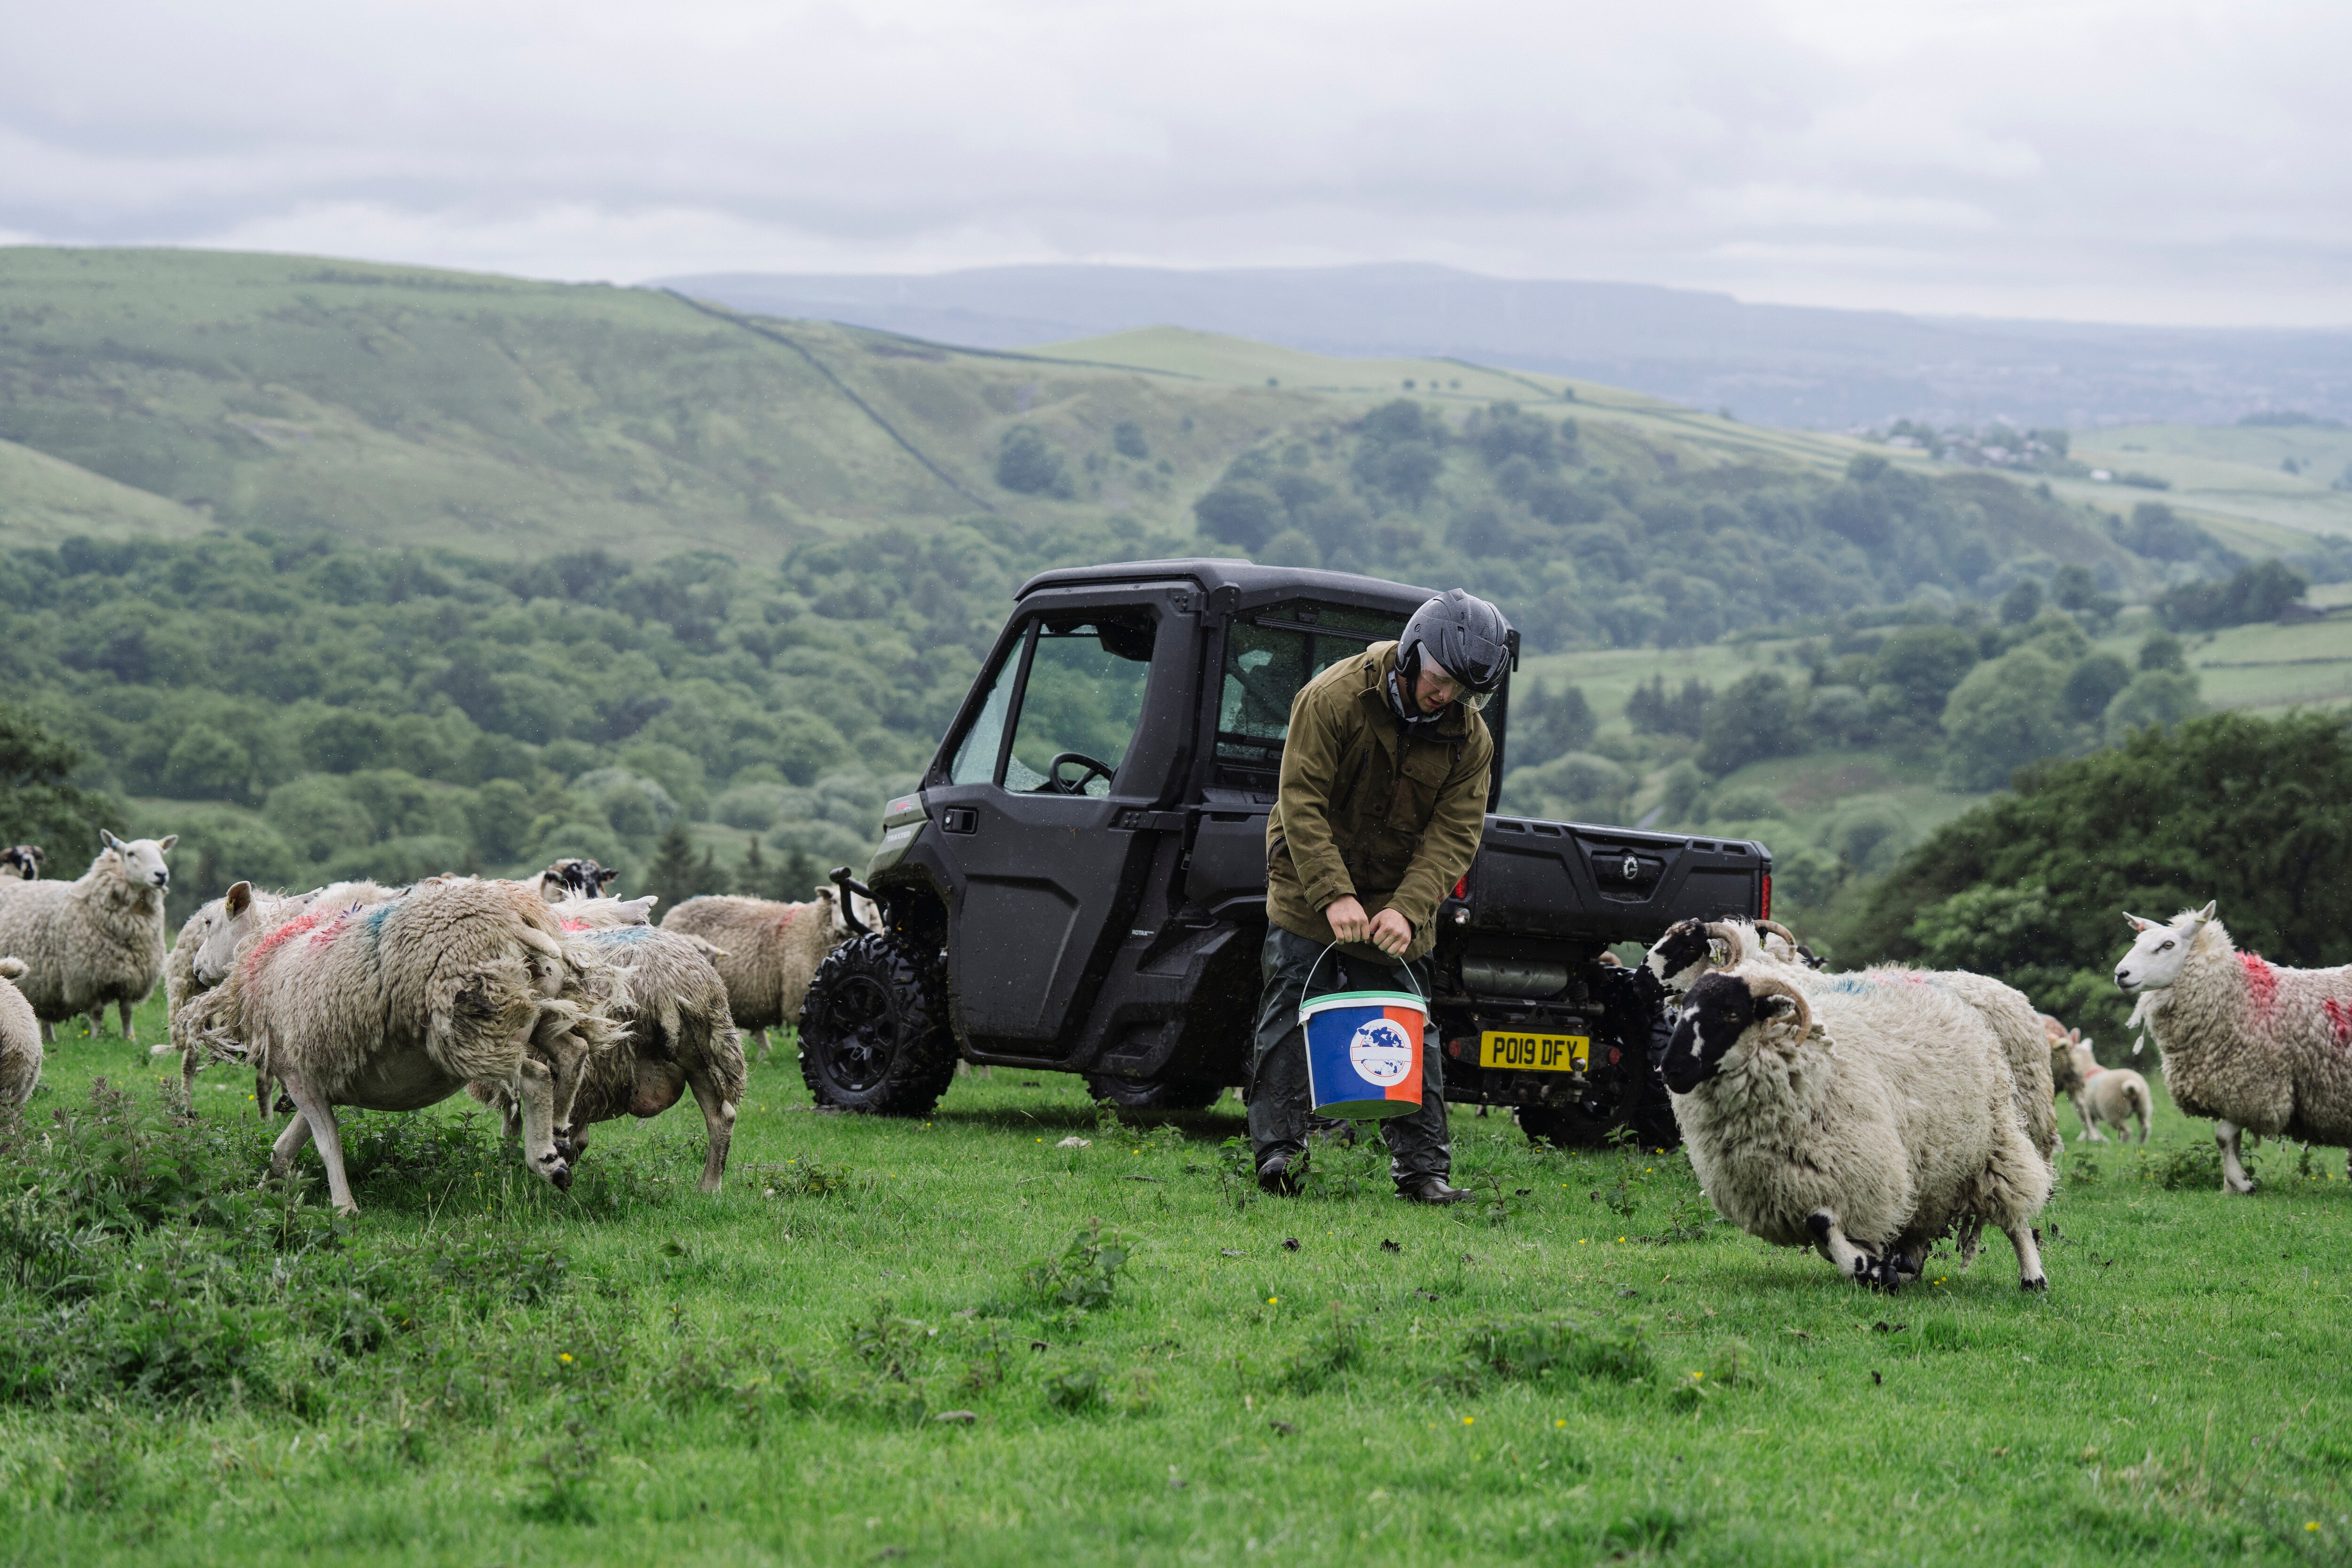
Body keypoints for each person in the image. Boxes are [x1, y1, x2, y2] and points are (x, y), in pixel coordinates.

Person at [1249, 589, 1511, 1203]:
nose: (1446, 696)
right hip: (1309, 877)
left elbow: (1455, 834)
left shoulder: (1470, 739)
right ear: (1414, 652)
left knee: (1408, 1018)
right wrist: (1333, 894)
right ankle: (1280, 1154)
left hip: (1400, 890)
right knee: (1291, 1006)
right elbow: (1300, 803)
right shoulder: (1332, 697)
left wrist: (1408, 909)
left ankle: (1423, 1173)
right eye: (1440, 679)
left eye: (1464, 690)